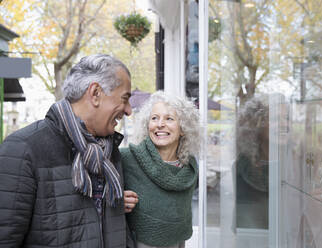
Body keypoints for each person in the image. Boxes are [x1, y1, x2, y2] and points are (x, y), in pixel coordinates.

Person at [0, 54, 137, 248]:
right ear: (95, 93)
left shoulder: (109, 151)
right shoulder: (23, 149)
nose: (129, 110)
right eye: (125, 99)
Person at [121, 91, 200, 248]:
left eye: (169, 118)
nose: (159, 124)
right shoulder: (126, 159)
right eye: (154, 118)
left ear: (183, 128)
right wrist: (115, 199)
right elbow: (94, 198)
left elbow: (180, 231)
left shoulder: (189, 169)